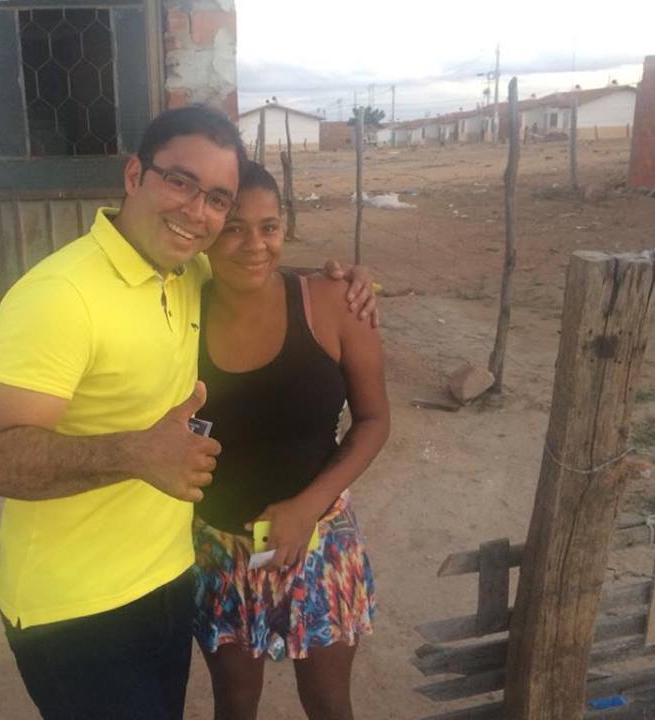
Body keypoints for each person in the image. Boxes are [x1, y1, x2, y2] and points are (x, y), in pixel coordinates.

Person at [0, 105, 378, 720]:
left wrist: (349, 279)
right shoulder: (60, 295)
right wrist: (135, 452)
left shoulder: (184, 274)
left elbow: (257, 267)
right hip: (78, 608)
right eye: (180, 182)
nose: (197, 212)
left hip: (169, 578)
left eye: (216, 198)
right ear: (135, 175)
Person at [192, 161, 390, 720]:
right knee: (234, 703)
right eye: (234, 228)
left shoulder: (333, 305)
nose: (255, 245)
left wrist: (307, 507)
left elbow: (374, 420)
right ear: (208, 232)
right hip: (220, 547)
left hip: (320, 542)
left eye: (269, 227)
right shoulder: (180, 312)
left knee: (328, 702)